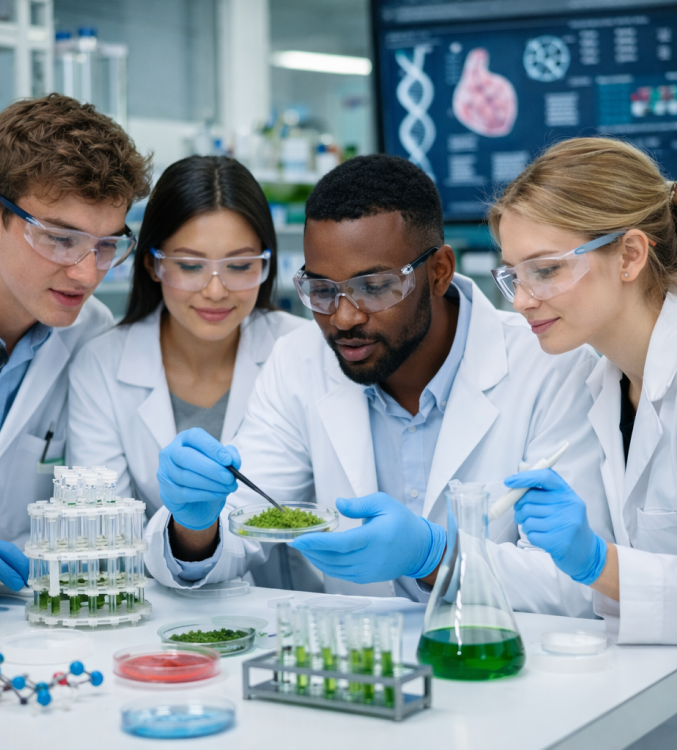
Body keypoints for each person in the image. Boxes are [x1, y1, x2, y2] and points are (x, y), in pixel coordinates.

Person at [145, 154, 613, 615]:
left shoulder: (551, 367)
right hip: (355, 667)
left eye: (374, 286)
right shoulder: (300, 360)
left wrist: (435, 558)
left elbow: (578, 582)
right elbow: (244, 525)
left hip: (499, 668)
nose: (344, 317)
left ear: (439, 272)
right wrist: (194, 523)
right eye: (323, 290)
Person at [0, 94, 151, 596]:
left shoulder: (91, 329)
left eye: (107, 244)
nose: (87, 272)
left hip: (15, 619)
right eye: (60, 238)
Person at [67, 156, 307, 588]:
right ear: (153, 264)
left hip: (289, 617)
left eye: (239, 266)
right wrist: (188, 529)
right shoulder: (101, 364)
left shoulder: (300, 353)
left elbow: (276, 523)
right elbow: (103, 539)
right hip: (155, 623)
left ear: (266, 264)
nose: (215, 290)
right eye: (191, 266)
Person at [488, 137, 677, 644]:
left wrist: (598, 562)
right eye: (513, 276)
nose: (522, 302)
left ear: (630, 255)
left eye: (546, 271)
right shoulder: (604, 382)